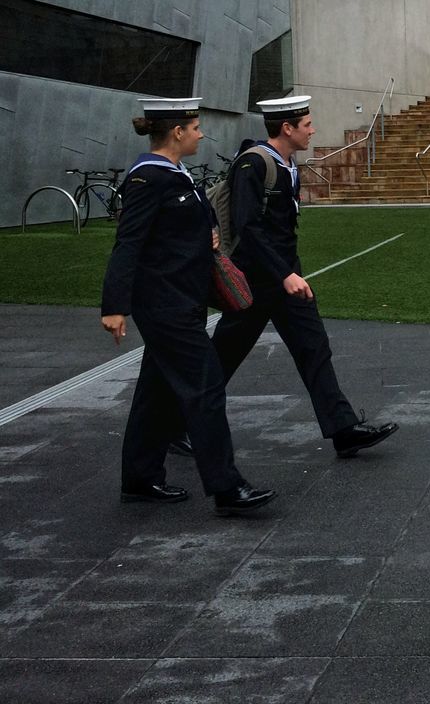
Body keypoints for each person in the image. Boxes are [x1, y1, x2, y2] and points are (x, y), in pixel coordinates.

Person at [101, 98, 275, 516]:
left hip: (185, 298)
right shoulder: (147, 179)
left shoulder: (177, 174)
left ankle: (140, 478)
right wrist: (114, 306)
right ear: (177, 132)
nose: (200, 133)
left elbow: (193, 223)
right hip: (164, 304)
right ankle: (227, 488)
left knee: (156, 391)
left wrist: (210, 233)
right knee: (206, 386)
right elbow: (128, 244)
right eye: (195, 127)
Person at [211, 96, 398, 456]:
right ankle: (173, 423)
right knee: (222, 356)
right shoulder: (253, 165)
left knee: (314, 348)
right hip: (256, 280)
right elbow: (248, 229)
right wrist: (284, 274)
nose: (313, 130)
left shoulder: (289, 164)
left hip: (285, 279)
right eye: (307, 124)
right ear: (287, 128)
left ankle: (343, 429)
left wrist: (289, 273)